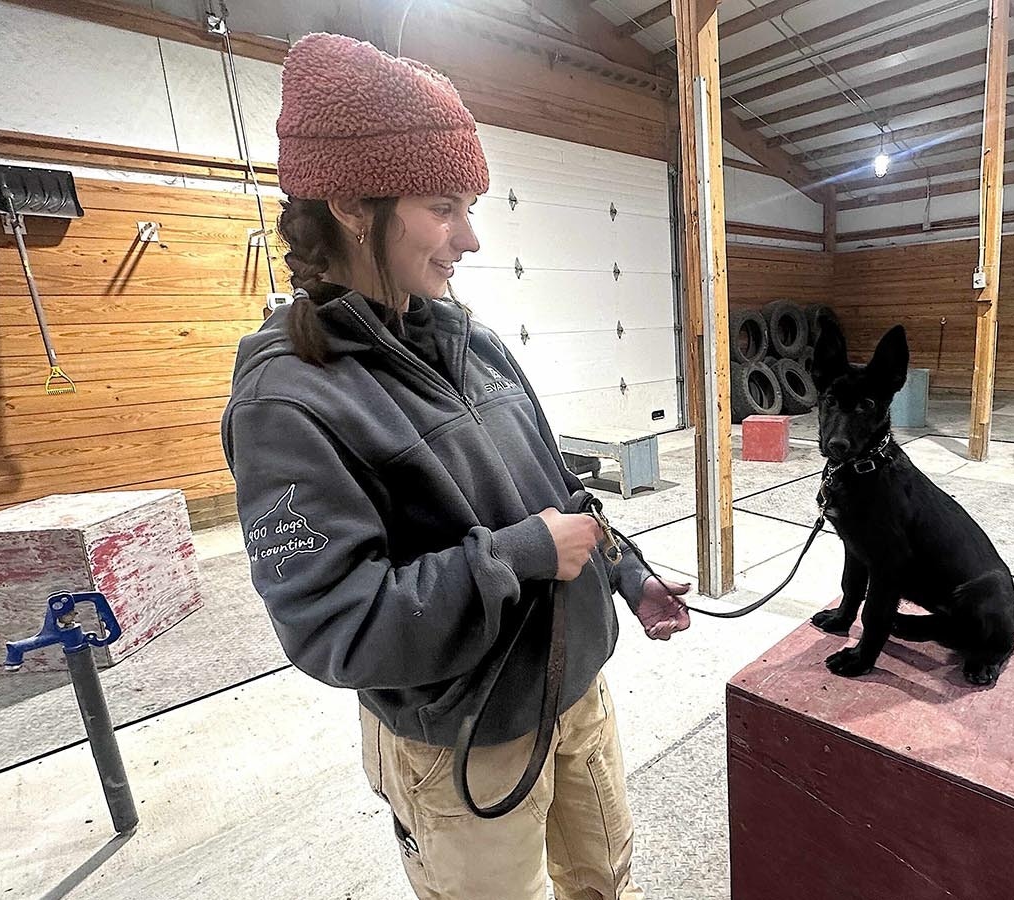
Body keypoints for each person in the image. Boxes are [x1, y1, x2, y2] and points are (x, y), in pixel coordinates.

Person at [221, 33, 692, 900]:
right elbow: (338, 628)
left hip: (575, 693)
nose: (470, 237)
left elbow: (558, 494)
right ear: (355, 207)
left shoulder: (474, 343)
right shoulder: (288, 403)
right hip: (465, 742)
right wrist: (521, 556)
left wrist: (626, 574)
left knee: (604, 879)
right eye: (445, 205)